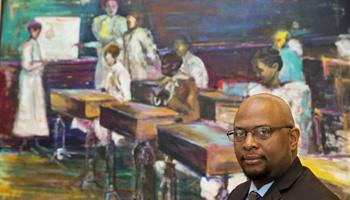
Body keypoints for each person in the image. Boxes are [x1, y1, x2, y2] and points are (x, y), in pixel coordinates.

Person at [227, 93, 339, 200]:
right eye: (240, 133)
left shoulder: (317, 197)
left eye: (263, 132)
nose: (248, 144)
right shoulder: (239, 194)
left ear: (292, 139)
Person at [222, 48, 312, 154]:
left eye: (260, 71)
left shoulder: (294, 93)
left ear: (274, 67)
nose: (257, 75)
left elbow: (299, 129)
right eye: (256, 71)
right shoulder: (255, 91)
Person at [13, 20, 49, 140]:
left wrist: (40, 64)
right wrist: (41, 64)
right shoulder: (27, 45)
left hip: (35, 79)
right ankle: (26, 136)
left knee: (37, 106)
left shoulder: (35, 43)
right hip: (28, 81)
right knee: (28, 106)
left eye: (38, 31)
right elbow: (27, 66)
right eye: (35, 31)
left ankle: (35, 136)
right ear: (31, 31)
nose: (37, 33)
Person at [90, 0, 127, 89]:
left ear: (117, 7)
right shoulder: (99, 20)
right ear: (105, 7)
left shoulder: (122, 21)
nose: (111, 9)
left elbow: (124, 36)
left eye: (113, 6)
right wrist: (109, 38)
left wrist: (115, 40)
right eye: (108, 6)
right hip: (104, 49)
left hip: (118, 50)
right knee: (104, 70)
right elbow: (99, 36)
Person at [154, 52, 199, 123]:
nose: (161, 67)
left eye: (164, 64)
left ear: (174, 66)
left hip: (179, 122)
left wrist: (172, 102)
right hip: (164, 118)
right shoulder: (165, 81)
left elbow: (194, 114)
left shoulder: (187, 83)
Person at [123, 12, 161, 80]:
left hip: (139, 63)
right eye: (128, 22)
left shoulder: (142, 33)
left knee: (140, 81)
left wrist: (152, 60)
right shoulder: (126, 35)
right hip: (128, 64)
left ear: (136, 22)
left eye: (131, 22)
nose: (129, 24)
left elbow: (148, 48)